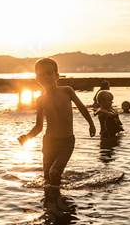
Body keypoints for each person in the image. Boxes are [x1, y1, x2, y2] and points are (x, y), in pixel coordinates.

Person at [18, 58, 96, 189]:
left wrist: (91, 124)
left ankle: (60, 204)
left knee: (54, 172)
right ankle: (51, 205)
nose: (46, 77)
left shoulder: (67, 91)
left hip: (66, 142)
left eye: (49, 73)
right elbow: (39, 126)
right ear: (37, 79)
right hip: (49, 143)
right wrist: (27, 137)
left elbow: (82, 108)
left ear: (57, 76)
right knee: (47, 179)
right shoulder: (41, 100)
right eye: (42, 75)